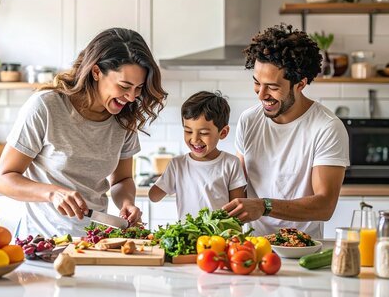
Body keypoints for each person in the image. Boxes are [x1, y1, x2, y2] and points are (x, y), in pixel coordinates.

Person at [0, 28, 167, 238]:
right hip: (42, 242)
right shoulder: (46, 107)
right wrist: (52, 193)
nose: (131, 97)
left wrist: (127, 202)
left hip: (94, 241)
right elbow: (3, 179)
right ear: (96, 72)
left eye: (138, 88)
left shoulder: (124, 118)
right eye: (124, 86)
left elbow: (121, 180)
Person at [222, 23, 349, 238]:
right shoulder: (249, 120)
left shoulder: (327, 127)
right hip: (252, 247)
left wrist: (264, 206)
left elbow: (325, 206)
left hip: (302, 248)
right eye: (257, 83)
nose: (261, 94)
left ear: (300, 84)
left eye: (272, 87)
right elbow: (238, 186)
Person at [148, 90, 246, 219]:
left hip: (220, 237)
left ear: (223, 132)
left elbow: (237, 209)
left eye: (204, 133)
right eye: (188, 131)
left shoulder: (231, 163)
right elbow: (154, 197)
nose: (194, 139)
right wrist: (165, 179)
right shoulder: (178, 164)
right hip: (187, 235)